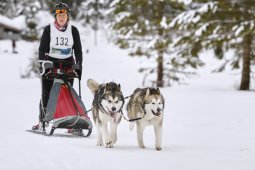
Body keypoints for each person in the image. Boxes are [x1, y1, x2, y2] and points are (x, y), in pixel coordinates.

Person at [32, 2, 83, 130]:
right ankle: (43, 121)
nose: (61, 18)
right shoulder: (48, 29)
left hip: (68, 65)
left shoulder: (73, 30)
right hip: (51, 64)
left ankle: (71, 123)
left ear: (67, 16)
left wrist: (79, 64)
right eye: (59, 15)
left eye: (64, 15)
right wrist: (43, 63)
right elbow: (42, 49)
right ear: (56, 16)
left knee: (68, 94)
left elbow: (78, 51)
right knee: (47, 94)